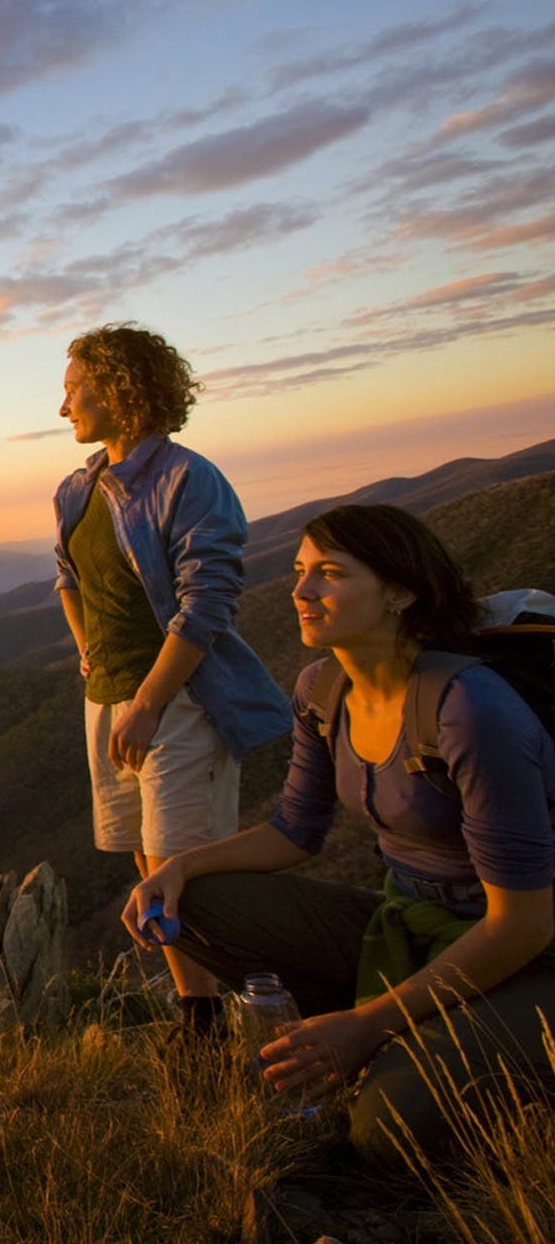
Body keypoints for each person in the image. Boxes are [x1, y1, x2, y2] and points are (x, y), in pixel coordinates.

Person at [125, 504, 555, 1164]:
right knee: (202, 905)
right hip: (410, 924)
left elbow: (522, 924)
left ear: (400, 593)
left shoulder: (469, 711)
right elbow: (295, 830)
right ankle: (404, 1029)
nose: (300, 591)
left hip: (526, 952)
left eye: (328, 573)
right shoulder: (323, 689)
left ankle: (432, 1039)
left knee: (387, 1128)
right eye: (300, 571)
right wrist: (179, 869)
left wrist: (368, 1023)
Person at [53, 324, 289, 1038]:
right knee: (142, 851)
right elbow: (68, 578)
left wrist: (151, 700)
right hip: (109, 697)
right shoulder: (77, 488)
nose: (63, 407)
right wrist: (90, 651)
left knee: (180, 860)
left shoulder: (188, 480)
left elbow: (208, 601)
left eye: (73, 389)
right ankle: (197, 1007)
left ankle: (214, 1018)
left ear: (120, 389)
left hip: (179, 700)